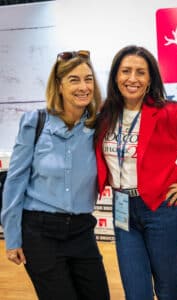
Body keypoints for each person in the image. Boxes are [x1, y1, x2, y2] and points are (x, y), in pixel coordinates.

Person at [1, 50, 110, 300]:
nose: (84, 87)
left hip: (82, 230)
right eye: (74, 79)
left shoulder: (99, 125)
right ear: (59, 85)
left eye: (89, 79)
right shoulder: (35, 122)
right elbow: (15, 181)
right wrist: (12, 238)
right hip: (39, 233)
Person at [95, 45, 177, 300]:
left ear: (150, 78)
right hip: (122, 209)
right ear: (115, 76)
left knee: (166, 289)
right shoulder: (106, 113)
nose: (132, 78)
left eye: (140, 72)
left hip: (162, 211)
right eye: (126, 71)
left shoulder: (168, 113)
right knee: (135, 292)